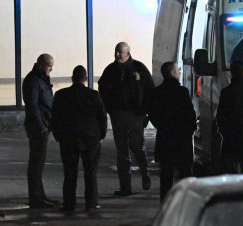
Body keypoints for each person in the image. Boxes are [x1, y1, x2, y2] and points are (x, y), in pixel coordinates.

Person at [98, 42, 154, 196]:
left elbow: (150, 89)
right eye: (116, 51)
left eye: (120, 52)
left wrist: (146, 112)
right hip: (118, 115)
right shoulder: (110, 70)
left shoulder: (139, 68)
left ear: (128, 53)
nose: (117, 55)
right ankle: (125, 187)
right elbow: (102, 88)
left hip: (136, 115)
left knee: (137, 146)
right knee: (122, 150)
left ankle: (145, 174)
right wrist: (109, 108)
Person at [51, 65, 107, 213]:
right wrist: (101, 136)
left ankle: (69, 204)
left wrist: (58, 136)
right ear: (86, 79)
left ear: (72, 78)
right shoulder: (94, 95)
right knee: (90, 173)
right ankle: (91, 204)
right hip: (90, 139)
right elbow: (102, 117)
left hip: (68, 139)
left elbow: (54, 118)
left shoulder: (60, 95)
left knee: (69, 173)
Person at [147, 62, 196, 202]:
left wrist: (163, 127)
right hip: (182, 140)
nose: (180, 72)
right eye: (178, 70)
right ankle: (186, 203)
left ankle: (166, 204)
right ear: (173, 73)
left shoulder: (156, 93)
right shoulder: (182, 92)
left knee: (166, 175)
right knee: (185, 173)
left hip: (165, 139)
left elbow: (152, 114)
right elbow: (190, 115)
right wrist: (189, 131)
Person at [22, 53, 59, 208]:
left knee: (39, 163)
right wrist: (41, 126)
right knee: (36, 163)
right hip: (38, 128)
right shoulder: (33, 81)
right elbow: (32, 106)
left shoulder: (40, 79)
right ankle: (36, 198)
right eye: (50, 66)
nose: (51, 69)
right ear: (42, 65)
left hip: (42, 126)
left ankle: (40, 196)